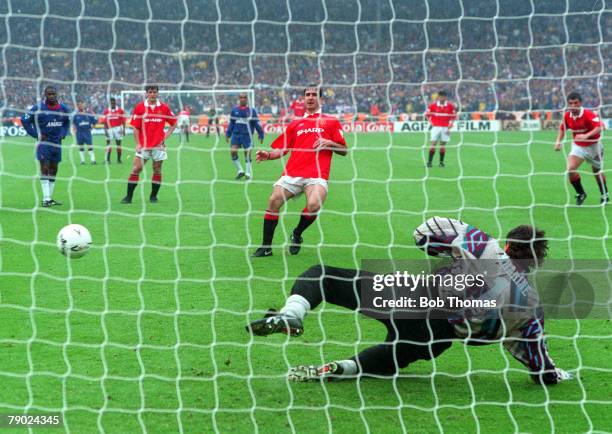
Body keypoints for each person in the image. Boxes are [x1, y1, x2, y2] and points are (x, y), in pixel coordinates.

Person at [246, 217, 572, 386]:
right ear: (535, 263)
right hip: (437, 338)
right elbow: (539, 368)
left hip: (412, 295)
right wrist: (556, 374)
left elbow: (424, 232)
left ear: (508, 244)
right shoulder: (531, 306)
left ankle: (293, 313)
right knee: (391, 357)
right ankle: (342, 369)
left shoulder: (485, 246)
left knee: (324, 276)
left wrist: (444, 252)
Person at [251, 85, 347, 257]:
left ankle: (297, 233)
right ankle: (266, 247)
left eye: (314, 95)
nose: (310, 97)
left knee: (314, 205)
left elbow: (344, 150)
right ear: (303, 99)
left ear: (321, 99)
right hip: (292, 173)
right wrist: (269, 155)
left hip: (317, 174)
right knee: (273, 200)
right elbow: (283, 149)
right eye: (307, 95)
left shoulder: (331, 121)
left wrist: (330, 143)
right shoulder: (295, 123)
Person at [121, 85, 177, 204]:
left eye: (154, 92)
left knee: (157, 170)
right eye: (150, 92)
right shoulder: (140, 108)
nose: (152, 94)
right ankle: (128, 197)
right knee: (136, 169)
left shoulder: (164, 108)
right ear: (146, 93)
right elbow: (135, 127)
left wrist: (164, 137)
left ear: (157, 93)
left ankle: (153, 196)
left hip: (158, 146)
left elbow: (173, 123)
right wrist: (138, 144)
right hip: (143, 145)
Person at [21, 85, 70, 207]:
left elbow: (67, 121)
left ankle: (49, 198)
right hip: (44, 143)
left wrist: (64, 133)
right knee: (44, 168)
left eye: (53, 94)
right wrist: (36, 135)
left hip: (57, 144)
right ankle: (46, 198)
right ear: (45, 95)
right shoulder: (38, 108)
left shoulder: (63, 108)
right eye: (49, 94)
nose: (51, 96)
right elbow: (24, 120)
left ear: (56, 94)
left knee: (54, 169)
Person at [554, 92, 607, 205]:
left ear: (580, 103)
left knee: (596, 171)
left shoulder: (588, 114)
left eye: (575, 103)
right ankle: (581, 193)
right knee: (571, 168)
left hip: (594, 146)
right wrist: (558, 141)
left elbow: (600, 127)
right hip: (578, 146)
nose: (573, 106)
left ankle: (604, 193)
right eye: (570, 103)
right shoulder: (567, 116)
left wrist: (586, 136)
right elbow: (563, 129)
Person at [225, 93, 264, 180]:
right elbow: (231, 123)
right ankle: (240, 171)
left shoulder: (252, 111)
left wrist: (261, 134)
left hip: (247, 135)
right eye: (241, 97)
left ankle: (248, 173)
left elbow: (256, 123)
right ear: (239, 99)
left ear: (247, 99)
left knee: (247, 154)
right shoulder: (234, 110)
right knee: (233, 151)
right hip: (236, 134)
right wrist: (228, 134)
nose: (243, 99)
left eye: (244, 98)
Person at [425, 90, 457, 167]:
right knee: (433, 144)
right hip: (436, 127)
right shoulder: (433, 105)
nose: (442, 98)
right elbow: (427, 115)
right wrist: (431, 122)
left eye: (443, 96)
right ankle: (429, 162)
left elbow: (454, 117)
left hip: (445, 127)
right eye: (440, 96)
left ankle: (441, 162)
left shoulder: (450, 106)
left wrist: (450, 125)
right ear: (438, 97)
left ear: (446, 97)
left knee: (443, 145)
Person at [103, 97, 126, 164]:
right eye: (111, 103)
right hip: (109, 129)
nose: (112, 104)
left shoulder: (120, 110)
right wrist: (105, 130)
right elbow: (104, 122)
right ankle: (108, 160)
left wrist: (124, 129)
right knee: (108, 145)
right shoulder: (106, 111)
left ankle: (119, 160)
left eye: (113, 102)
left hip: (118, 128)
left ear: (115, 102)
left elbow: (123, 121)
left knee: (118, 145)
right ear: (109, 103)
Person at [73, 100, 97, 165]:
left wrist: (92, 128)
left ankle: (93, 160)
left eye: (81, 104)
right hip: (79, 133)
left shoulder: (88, 113)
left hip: (87, 132)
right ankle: (82, 160)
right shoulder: (76, 115)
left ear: (84, 105)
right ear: (77, 106)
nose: (80, 106)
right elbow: (73, 123)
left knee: (90, 146)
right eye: (79, 105)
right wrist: (74, 130)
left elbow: (95, 121)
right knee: (81, 147)